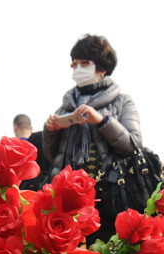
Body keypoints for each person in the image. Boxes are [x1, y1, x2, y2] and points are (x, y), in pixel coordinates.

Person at [43, 34, 141, 242]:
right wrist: (51, 131)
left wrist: (102, 121)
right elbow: (53, 156)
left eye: (84, 63)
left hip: (108, 196)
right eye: (74, 64)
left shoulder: (123, 101)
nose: (78, 69)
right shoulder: (67, 105)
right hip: (69, 199)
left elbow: (133, 146)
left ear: (102, 67)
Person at [13, 113, 51, 191]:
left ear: (15, 128)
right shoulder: (45, 138)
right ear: (31, 128)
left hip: (25, 192)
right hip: (47, 189)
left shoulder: (14, 147)